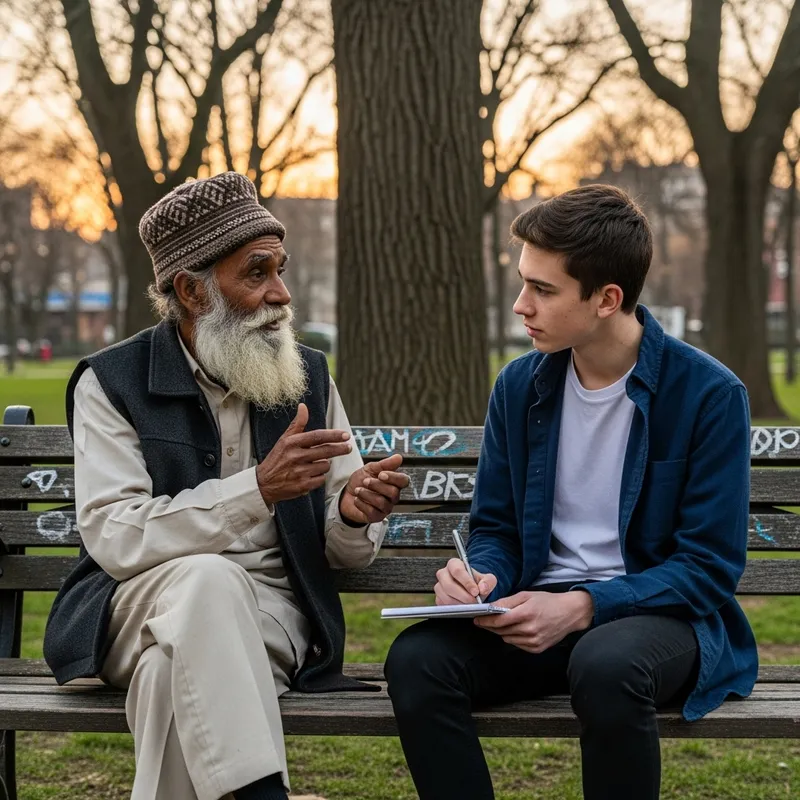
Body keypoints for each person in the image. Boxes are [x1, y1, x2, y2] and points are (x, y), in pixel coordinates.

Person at [43, 171, 409, 800]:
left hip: (272, 618)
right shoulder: (112, 382)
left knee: (168, 673)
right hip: (135, 606)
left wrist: (350, 516)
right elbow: (115, 537)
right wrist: (256, 491)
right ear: (191, 289)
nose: (282, 294)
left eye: (280, 270)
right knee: (208, 580)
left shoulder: (308, 377)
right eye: (257, 273)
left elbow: (346, 552)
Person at [385, 184, 758, 800]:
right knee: (418, 661)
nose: (519, 306)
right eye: (523, 282)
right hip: (538, 615)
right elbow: (497, 528)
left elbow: (709, 568)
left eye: (543, 290)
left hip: (658, 620)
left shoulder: (709, 395)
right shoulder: (519, 387)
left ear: (607, 298)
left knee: (605, 664)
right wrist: (480, 582)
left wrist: (584, 605)